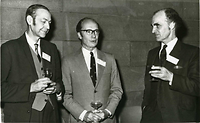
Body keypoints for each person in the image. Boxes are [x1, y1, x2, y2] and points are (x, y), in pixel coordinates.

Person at [1, 4, 63, 122]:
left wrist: (56, 88)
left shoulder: (52, 49)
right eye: (44, 21)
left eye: (49, 22)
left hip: (50, 115)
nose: (48, 26)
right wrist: (31, 87)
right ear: (30, 20)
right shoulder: (9, 49)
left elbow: (59, 81)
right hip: (22, 117)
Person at [141, 8, 199, 122]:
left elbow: (197, 86)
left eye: (157, 26)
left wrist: (171, 77)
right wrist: (145, 106)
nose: (153, 31)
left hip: (177, 117)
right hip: (150, 117)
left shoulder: (192, 53)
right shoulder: (152, 53)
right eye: (152, 26)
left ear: (172, 25)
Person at [62, 17, 123, 123]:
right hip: (80, 120)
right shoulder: (68, 61)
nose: (93, 35)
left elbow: (117, 90)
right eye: (88, 31)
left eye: (96, 31)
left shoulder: (110, 59)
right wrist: (83, 114)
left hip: (106, 120)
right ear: (79, 35)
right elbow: (65, 95)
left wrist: (106, 112)